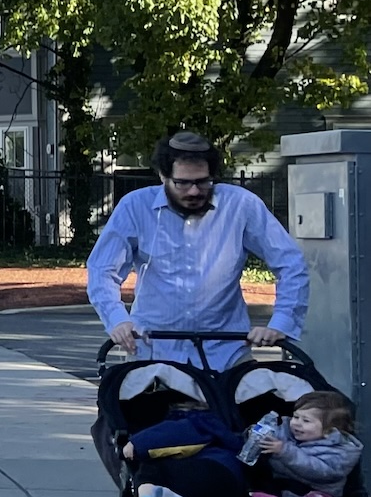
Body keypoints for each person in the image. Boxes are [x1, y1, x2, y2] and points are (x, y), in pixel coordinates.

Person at [87, 130, 306, 372]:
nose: (194, 191)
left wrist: (281, 323)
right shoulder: (135, 207)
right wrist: (118, 321)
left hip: (227, 352)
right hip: (153, 351)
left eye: (203, 181)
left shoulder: (242, 205)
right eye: (182, 183)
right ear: (163, 176)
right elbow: (102, 269)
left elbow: (290, 263)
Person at [244, 389, 359, 497]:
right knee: (257, 488)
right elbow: (267, 438)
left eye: (306, 420)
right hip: (283, 487)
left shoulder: (342, 450)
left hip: (316, 492)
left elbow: (321, 472)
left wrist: (285, 451)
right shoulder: (287, 431)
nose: (296, 423)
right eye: (296, 416)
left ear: (328, 431)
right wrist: (256, 435)